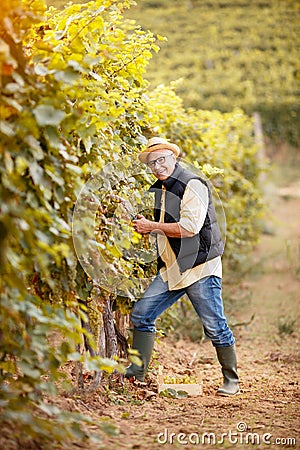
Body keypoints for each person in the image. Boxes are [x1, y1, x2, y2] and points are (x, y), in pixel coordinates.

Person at [125, 137, 239, 396]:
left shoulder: (193, 184)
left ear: (173, 158)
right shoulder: (159, 188)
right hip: (173, 268)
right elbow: (166, 225)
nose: (158, 166)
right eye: (152, 163)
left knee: (214, 325)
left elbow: (189, 228)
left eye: (162, 159)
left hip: (199, 267)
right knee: (142, 314)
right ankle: (137, 373)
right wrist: (147, 224)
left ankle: (231, 379)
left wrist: (152, 226)